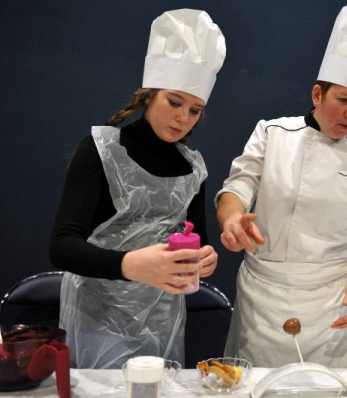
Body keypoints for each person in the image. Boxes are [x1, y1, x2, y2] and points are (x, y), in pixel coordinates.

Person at [216, 4, 347, 368]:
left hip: (332, 304)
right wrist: (232, 221)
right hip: (261, 299)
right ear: (317, 95)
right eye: (343, 100)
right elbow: (237, 187)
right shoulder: (272, 133)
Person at [49, 9, 226, 369]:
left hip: (162, 318)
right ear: (148, 95)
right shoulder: (101, 150)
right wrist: (130, 264)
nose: (183, 118)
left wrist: (205, 258)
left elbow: (196, 238)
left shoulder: (192, 168)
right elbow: (63, 247)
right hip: (98, 315)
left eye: (195, 110)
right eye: (174, 102)